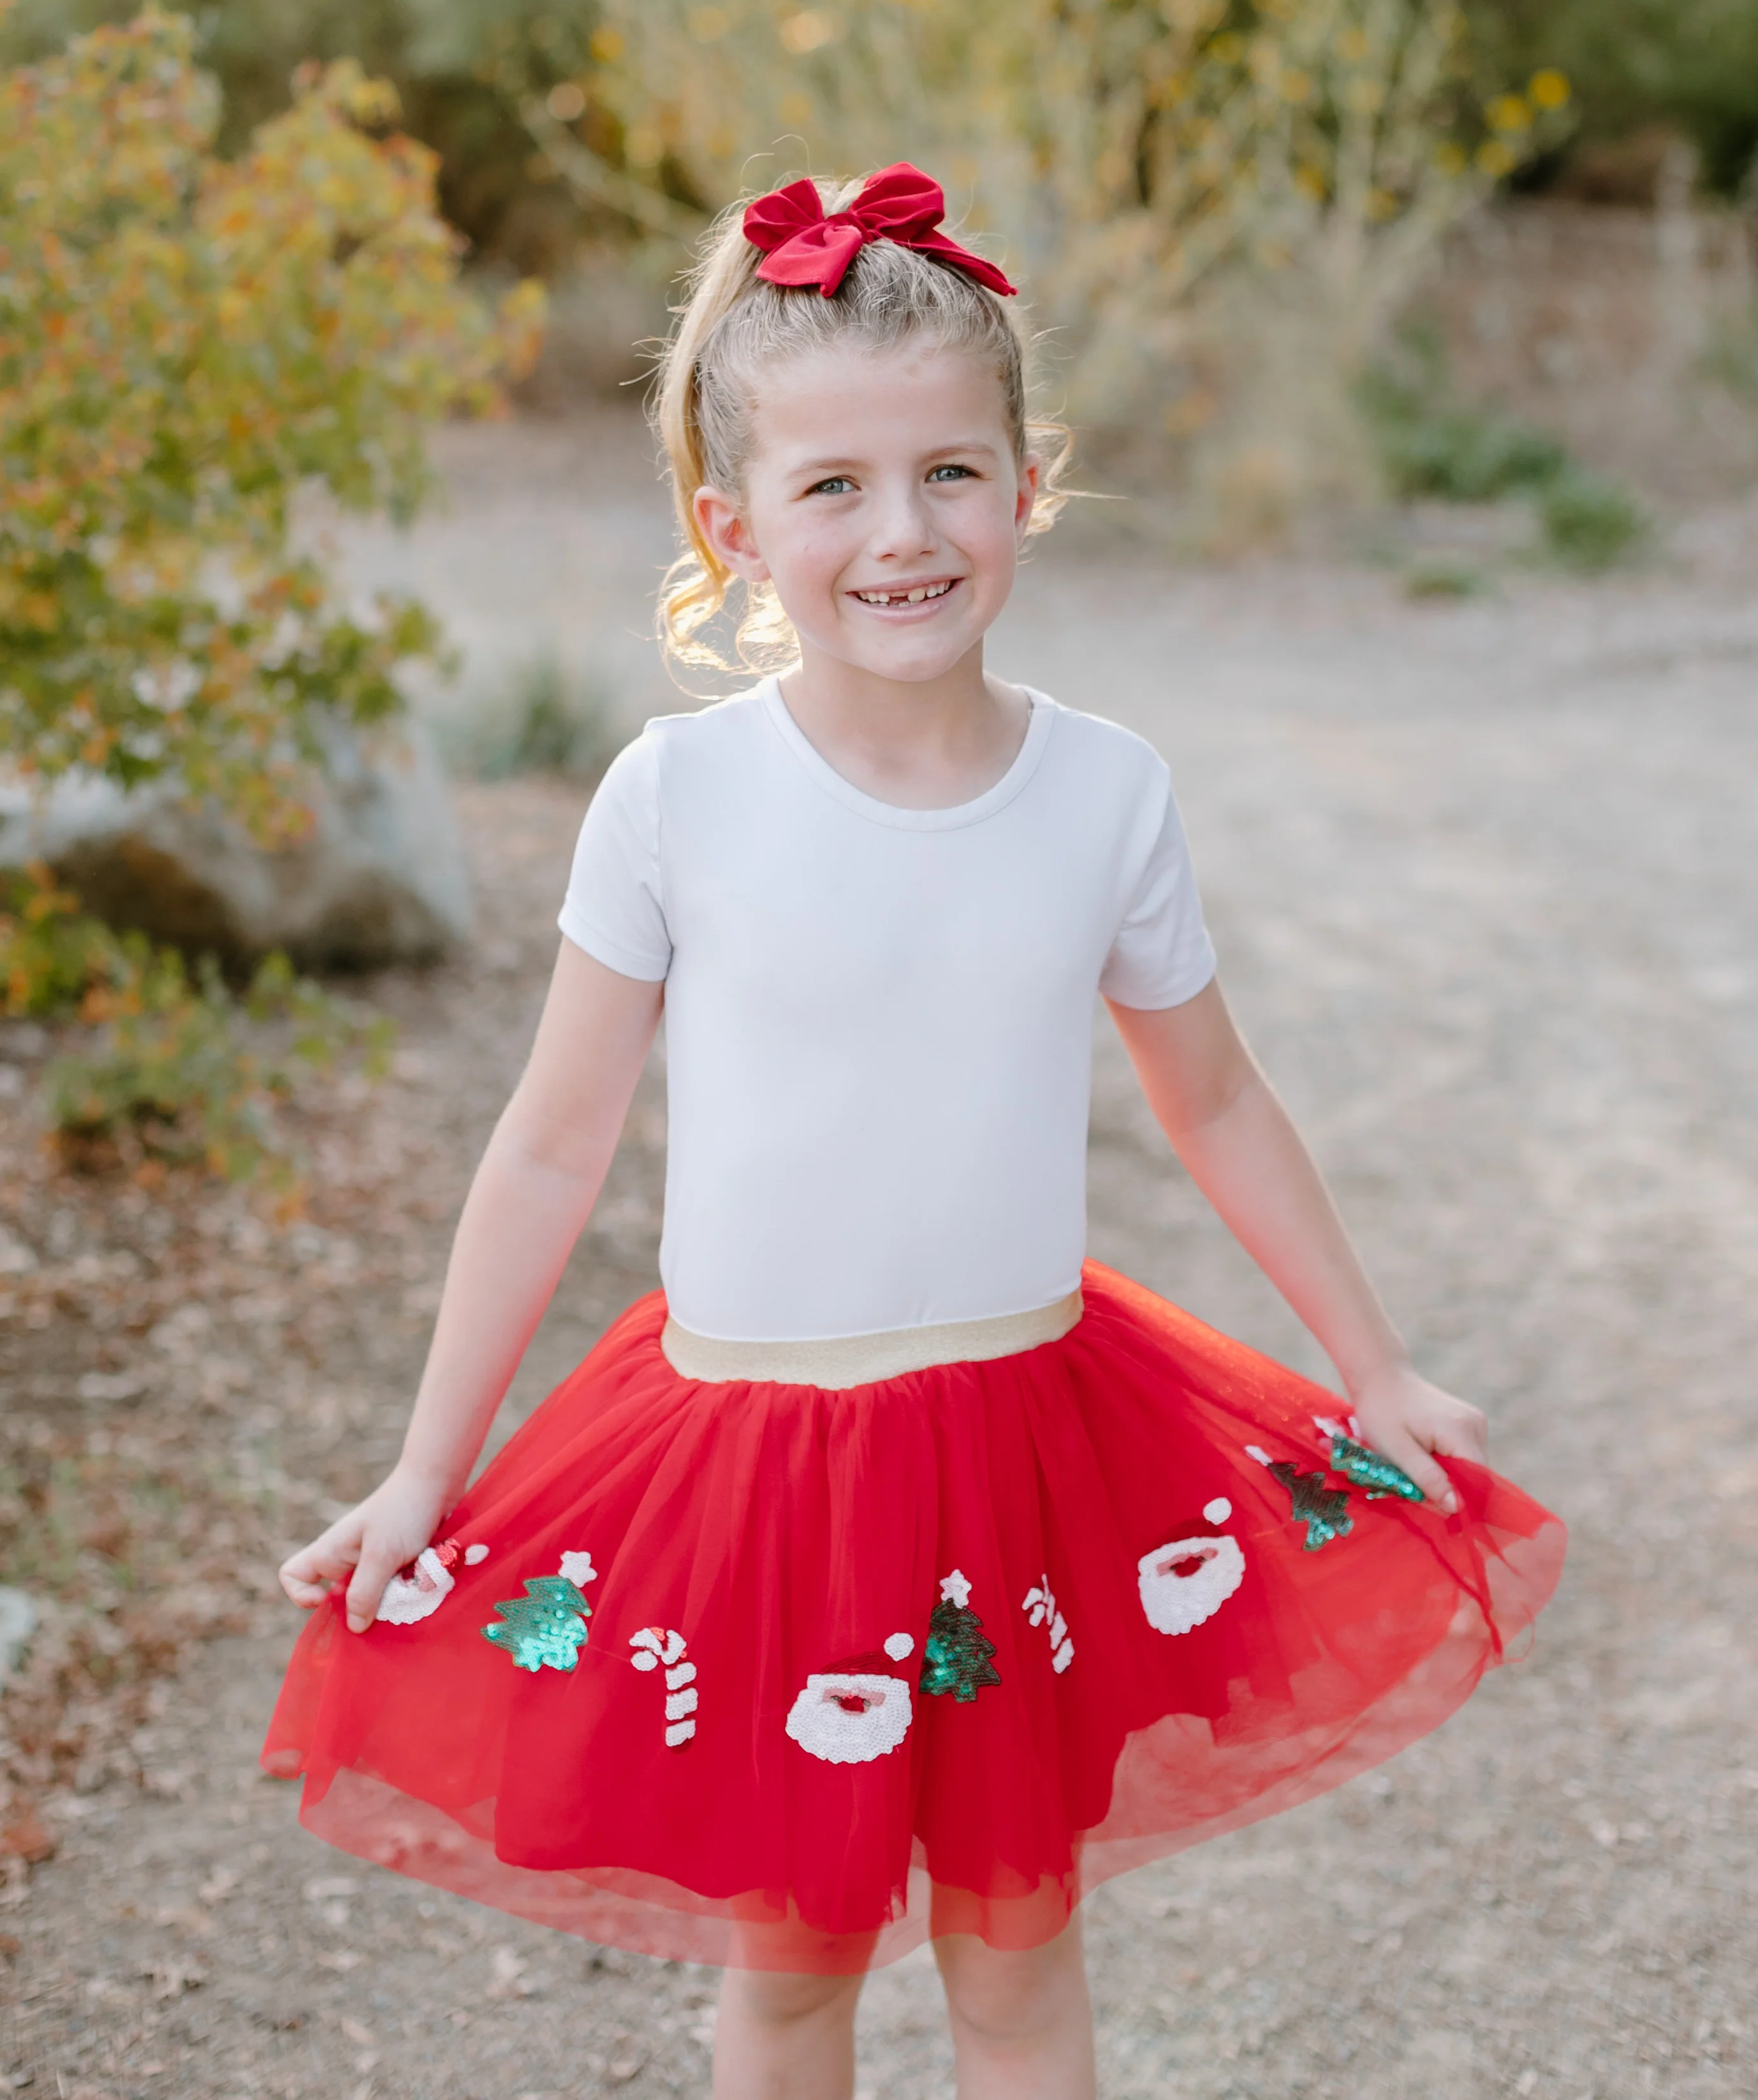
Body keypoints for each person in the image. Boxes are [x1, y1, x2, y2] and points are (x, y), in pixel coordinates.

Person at [267, 163, 1563, 2100]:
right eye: (833, 489)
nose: (902, 533)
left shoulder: (1103, 795)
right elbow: (547, 1149)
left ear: (1026, 482)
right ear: (732, 529)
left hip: (1024, 1456)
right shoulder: (676, 798)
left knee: (1016, 1962)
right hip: (763, 1482)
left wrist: (1368, 1366)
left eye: (952, 473)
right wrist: (423, 1471)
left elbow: (1209, 1091)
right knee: (793, 1972)